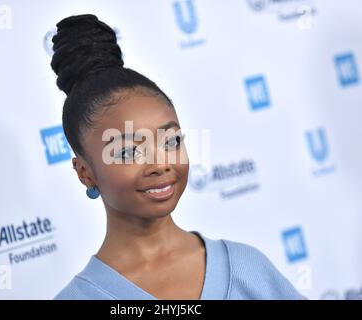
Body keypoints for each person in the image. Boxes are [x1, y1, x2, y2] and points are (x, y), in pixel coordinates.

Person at [50, 14, 305, 300]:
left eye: (171, 141)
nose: (160, 164)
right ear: (85, 172)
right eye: (128, 151)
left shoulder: (247, 268)